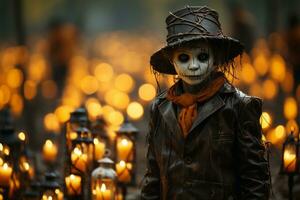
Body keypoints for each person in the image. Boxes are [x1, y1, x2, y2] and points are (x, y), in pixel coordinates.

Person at [140, 6, 270, 200]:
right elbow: (153, 177)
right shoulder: (161, 108)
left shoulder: (239, 106)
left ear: (216, 58)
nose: (193, 66)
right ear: (172, 62)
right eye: (184, 58)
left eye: (202, 57)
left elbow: (254, 180)